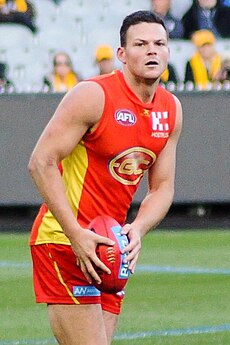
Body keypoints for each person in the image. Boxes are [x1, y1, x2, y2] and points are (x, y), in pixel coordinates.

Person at [28, 10, 183, 345]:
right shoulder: (92, 96)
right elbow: (41, 162)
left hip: (111, 247)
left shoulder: (171, 109)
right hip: (64, 239)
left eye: (159, 43)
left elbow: (163, 186)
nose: (152, 50)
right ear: (122, 54)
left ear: (169, 52)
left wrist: (138, 229)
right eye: (141, 44)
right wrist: (76, 234)